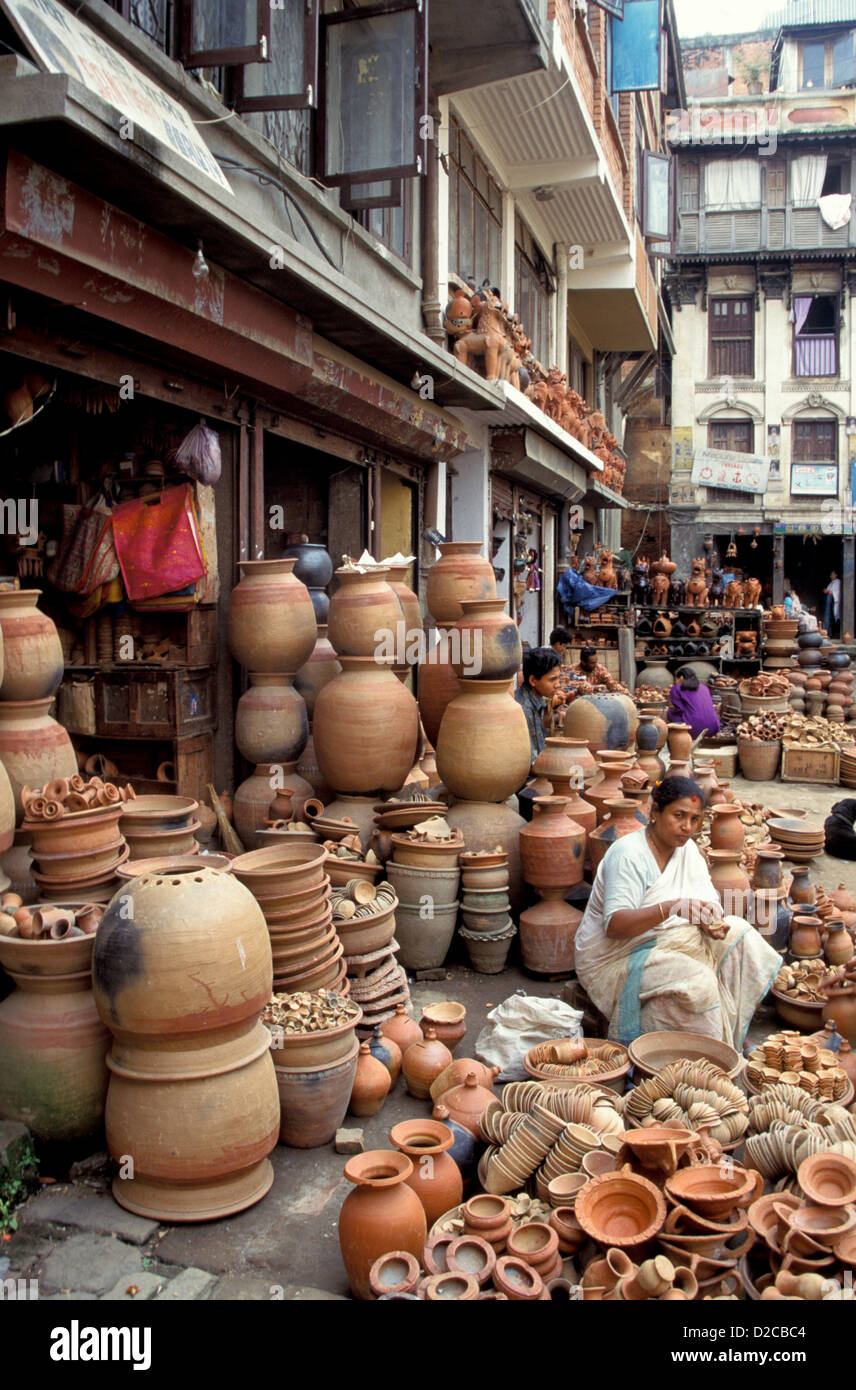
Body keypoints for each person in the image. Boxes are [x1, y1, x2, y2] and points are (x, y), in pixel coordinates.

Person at [574, 776, 781, 1046]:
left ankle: (729, 1035)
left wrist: (710, 920)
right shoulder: (628, 854)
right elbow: (615, 926)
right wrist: (671, 908)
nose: (687, 827)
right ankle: (708, 1053)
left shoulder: (688, 851)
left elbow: (708, 901)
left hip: (669, 939)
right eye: (679, 815)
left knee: (743, 936)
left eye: (695, 819)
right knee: (697, 981)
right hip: (615, 958)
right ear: (655, 811)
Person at [515, 646, 563, 762]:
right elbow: (530, 760)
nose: (558, 685)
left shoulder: (539, 700)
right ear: (533, 681)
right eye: (552, 680)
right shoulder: (523, 708)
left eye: (558, 678)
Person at [667, 667, 720, 740]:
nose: (675, 682)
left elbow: (679, 710)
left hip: (693, 729)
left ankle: (678, 738)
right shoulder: (704, 687)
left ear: (681, 678)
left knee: (669, 713)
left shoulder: (677, 688)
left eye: (676, 679)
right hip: (713, 728)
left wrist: (669, 710)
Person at [823, 571, 841, 636]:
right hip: (829, 604)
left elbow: (836, 593)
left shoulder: (838, 582)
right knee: (827, 617)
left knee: (830, 617)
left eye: (832, 574)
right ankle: (828, 632)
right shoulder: (831, 583)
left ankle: (829, 633)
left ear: (836, 575)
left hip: (834, 603)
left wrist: (828, 591)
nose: (830, 576)